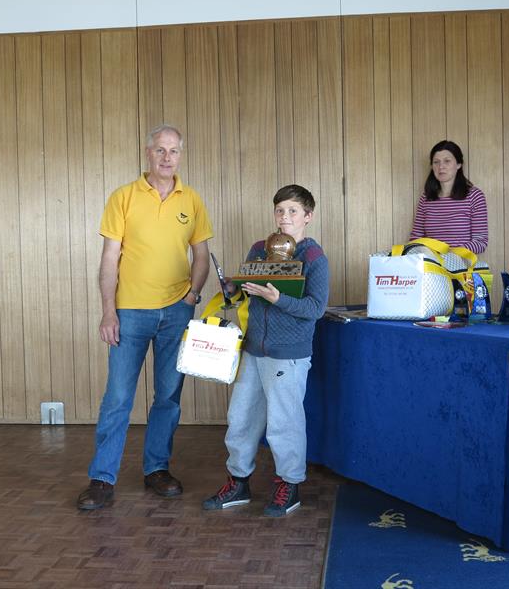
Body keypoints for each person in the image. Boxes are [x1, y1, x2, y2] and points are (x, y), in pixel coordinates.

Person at [77, 124, 213, 510]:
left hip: (176, 312)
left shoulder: (193, 200)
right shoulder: (123, 197)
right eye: (160, 150)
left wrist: (191, 296)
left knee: (168, 397)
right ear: (147, 153)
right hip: (130, 313)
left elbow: (201, 256)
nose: (167, 157)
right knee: (118, 397)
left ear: (180, 156)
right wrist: (108, 311)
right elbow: (108, 259)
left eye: (174, 151)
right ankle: (102, 479)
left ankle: (157, 470)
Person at [202, 185, 329, 517]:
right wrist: (233, 288)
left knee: (284, 423)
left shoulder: (313, 257)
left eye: (292, 211)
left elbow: (316, 308)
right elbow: (248, 293)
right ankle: (239, 481)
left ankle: (290, 483)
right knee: (241, 418)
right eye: (279, 211)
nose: (284, 217)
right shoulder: (259, 249)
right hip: (253, 348)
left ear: (308, 216)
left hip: (288, 353)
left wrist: (279, 299)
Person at [409, 140, 488, 254]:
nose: (441, 166)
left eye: (447, 161)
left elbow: (480, 241)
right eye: (436, 162)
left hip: (461, 266)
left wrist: (450, 255)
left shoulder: (474, 196)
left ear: (459, 164)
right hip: (431, 266)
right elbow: (416, 239)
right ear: (432, 166)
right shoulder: (426, 198)